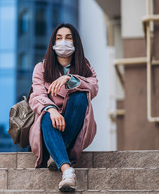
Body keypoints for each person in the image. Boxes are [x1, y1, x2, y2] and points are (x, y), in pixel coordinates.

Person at [28, 23, 98, 192]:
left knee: (81, 96)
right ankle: (67, 172)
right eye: (59, 38)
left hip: (73, 129)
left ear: (75, 43)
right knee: (45, 115)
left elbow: (94, 88)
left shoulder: (85, 66)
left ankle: (60, 151)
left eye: (68, 38)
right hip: (48, 130)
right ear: (52, 43)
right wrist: (52, 110)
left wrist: (69, 78)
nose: (63, 42)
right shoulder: (42, 68)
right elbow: (37, 96)